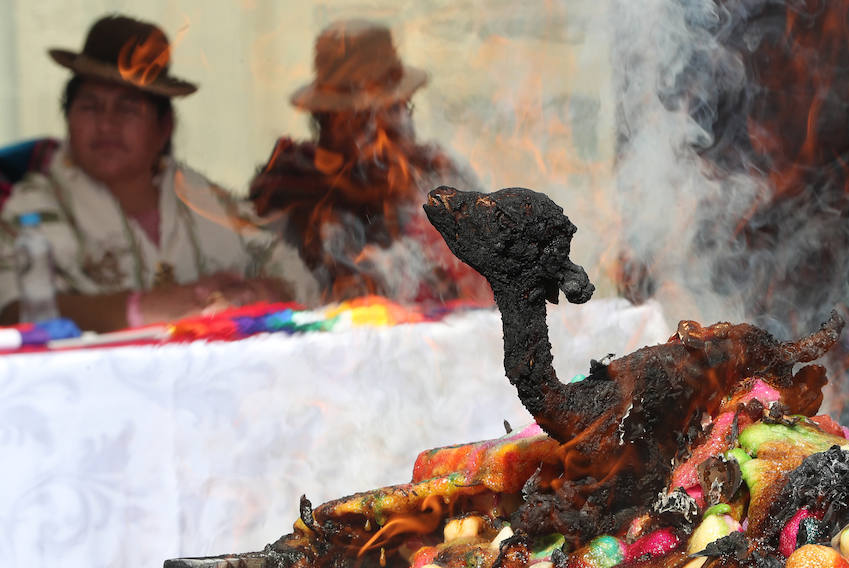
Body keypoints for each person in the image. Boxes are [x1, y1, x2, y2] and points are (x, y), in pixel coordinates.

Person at [0, 15, 315, 332]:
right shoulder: (33, 209)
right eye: (89, 107)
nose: (107, 124)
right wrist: (140, 309)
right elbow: (12, 311)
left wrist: (261, 292)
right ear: (68, 118)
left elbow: (293, 274)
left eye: (127, 108)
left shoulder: (206, 202)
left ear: (163, 127)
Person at [249, 20, 490, 304]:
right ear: (328, 122)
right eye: (361, 116)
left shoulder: (438, 176)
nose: (382, 129)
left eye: (394, 108)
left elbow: (489, 276)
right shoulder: (292, 191)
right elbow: (287, 292)